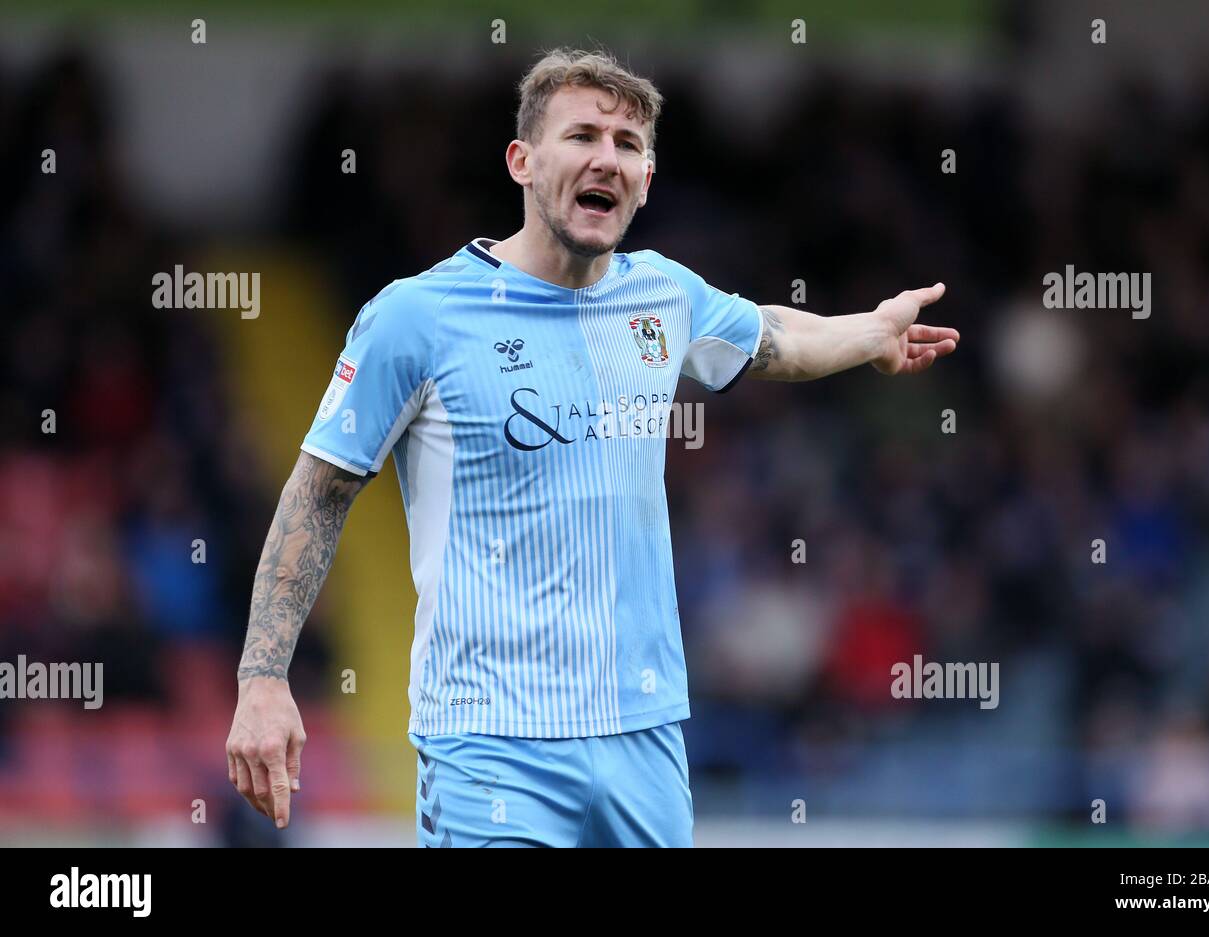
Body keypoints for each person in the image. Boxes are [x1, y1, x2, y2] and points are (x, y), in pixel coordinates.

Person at [225, 47, 959, 847]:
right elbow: (317, 492)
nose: (606, 157)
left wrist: (874, 332)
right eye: (582, 135)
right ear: (523, 160)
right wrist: (263, 677)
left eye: (628, 145)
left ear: (645, 179)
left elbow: (778, 334)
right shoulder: (417, 317)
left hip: (644, 738)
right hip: (491, 744)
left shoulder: (664, 295)